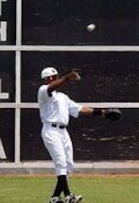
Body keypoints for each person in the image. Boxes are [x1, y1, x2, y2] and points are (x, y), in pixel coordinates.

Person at [37, 67, 106, 203]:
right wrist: (67, 78)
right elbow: (50, 88)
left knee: (69, 164)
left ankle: (55, 198)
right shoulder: (43, 91)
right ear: (45, 80)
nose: (51, 79)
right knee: (61, 162)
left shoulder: (63, 97)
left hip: (63, 131)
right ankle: (69, 196)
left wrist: (101, 112)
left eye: (53, 77)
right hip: (51, 130)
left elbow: (79, 109)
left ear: (56, 77)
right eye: (48, 78)